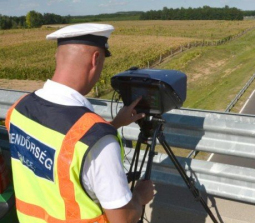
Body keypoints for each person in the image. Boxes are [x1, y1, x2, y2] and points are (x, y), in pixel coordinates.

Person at [5, 23, 154, 223]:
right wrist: (139, 196)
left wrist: (113, 124)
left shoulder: (18, 109)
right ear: (96, 59)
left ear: (58, 57)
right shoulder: (100, 143)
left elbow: (60, 146)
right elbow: (122, 219)